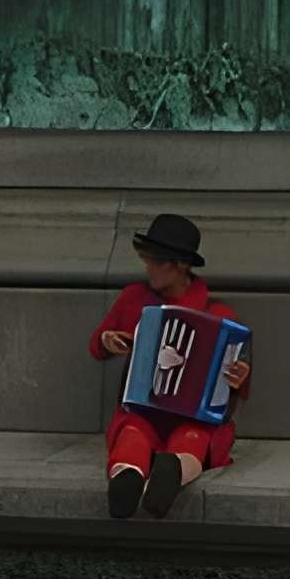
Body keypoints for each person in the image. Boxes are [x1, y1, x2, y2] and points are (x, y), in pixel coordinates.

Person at [90, 211, 250, 520]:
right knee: (133, 435)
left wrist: (239, 377)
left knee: (192, 439)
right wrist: (107, 339)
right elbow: (97, 346)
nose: (148, 267)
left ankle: (172, 472)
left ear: (181, 265)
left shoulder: (218, 314)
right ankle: (127, 478)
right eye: (147, 258)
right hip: (142, 410)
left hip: (193, 419)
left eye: (157, 261)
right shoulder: (133, 298)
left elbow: (239, 386)